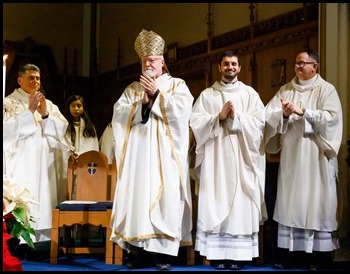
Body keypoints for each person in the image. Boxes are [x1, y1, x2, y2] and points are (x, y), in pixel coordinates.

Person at [110, 29, 194, 271]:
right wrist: (142, 103)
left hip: (165, 156)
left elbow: (182, 113)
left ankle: (162, 254)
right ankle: (138, 252)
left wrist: (156, 95)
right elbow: (119, 116)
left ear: (163, 63)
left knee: (165, 197)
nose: (148, 63)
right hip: (138, 157)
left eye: (153, 60)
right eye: (145, 60)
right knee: (138, 196)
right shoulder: (131, 89)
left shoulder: (177, 85)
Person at [264, 48, 343, 271]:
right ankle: (293, 255)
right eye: (296, 63)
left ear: (314, 67)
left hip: (316, 154)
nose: (298, 67)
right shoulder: (286, 89)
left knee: (317, 201)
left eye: (302, 63)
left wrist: (305, 112)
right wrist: (284, 115)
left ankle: (319, 257)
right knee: (291, 201)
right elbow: (268, 115)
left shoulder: (326, 90)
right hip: (292, 155)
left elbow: (332, 119)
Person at [190, 51, 268, 270]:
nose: (230, 67)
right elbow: (195, 123)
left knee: (239, 204)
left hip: (242, 159)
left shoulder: (250, 94)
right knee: (217, 199)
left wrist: (237, 118)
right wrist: (219, 117)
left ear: (240, 68)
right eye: (226, 64)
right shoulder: (207, 95)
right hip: (216, 160)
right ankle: (217, 256)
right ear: (219, 67)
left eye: (234, 64)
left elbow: (260, 124)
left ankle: (237, 256)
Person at [3, 64, 70, 247]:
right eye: (31, 77)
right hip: (21, 162)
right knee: (24, 197)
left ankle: (41, 243)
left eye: (38, 78)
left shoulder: (48, 104)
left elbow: (61, 131)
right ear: (19, 80)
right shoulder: (8, 102)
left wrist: (45, 114)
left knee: (42, 198)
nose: (35, 81)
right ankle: (19, 241)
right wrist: (29, 112)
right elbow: (6, 132)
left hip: (43, 161)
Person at [61, 94, 100, 245]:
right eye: (73, 105)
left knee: (84, 200)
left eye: (79, 106)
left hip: (85, 173)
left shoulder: (89, 129)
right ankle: (67, 237)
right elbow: (60, 147)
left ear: (83, 108)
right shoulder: (63, 126)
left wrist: (84, 159)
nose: (76, 109)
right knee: (69, 198)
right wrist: (70, 155)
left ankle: (84, 236)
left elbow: (94, 150)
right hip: (68, 171)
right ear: (68, 107)